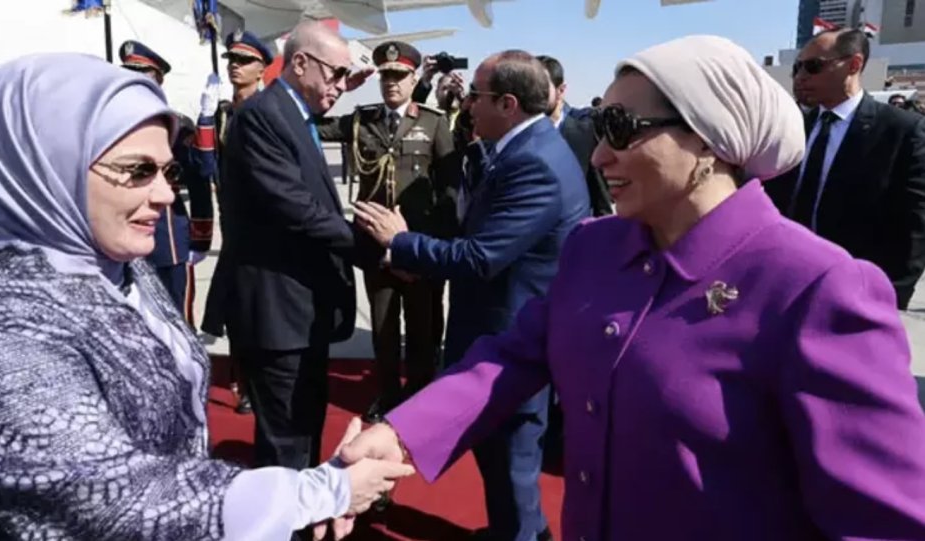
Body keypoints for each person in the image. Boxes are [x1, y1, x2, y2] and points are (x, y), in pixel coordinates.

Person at [342, 35, 925, 540]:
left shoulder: (819, 289)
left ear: (708, 139)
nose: (599, 155)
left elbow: (881, 522)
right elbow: (514, 355)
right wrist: (402, 434)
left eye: (621, 129)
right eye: (601, 127)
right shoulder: (594, 247)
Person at [0, 52, 412, 539]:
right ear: (47, 168)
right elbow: (111, 499)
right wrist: (317, 493)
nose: (167, 195)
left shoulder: (116, 264)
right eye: (137, 170)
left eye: (166, 173)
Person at [354, 50, 590, 541]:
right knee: (499, 465)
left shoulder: (536, 164)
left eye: (476, 97)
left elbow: (482, 257)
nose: (467, 105)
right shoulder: (519, 147)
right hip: (496, 335)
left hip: (510, 344)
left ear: (507, 104)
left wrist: (402, 242)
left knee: (512, 465)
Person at [218, 21, 375, 484]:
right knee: (285, 444)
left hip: (301, 311)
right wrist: (380, 251)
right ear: (301, 63)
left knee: (304, 428)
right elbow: (297, 209)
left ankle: (301, 511)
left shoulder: (293, 114)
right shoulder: (262, 117)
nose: (342, 85)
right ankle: (283, 517)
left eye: (347, 76)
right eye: (337, 73)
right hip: (277, 313)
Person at [316, 40, 458, 424]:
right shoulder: (362, 120)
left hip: (420, 245)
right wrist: (340, 87)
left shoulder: (433, 122)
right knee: (383, 327)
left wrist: (438, 247)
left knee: (423, 328)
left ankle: (421, 393)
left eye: (399, 75)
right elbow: (310, 124)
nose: (391, 82)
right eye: (385, 76)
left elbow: (449, 190)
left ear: (413, 80)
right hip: (374, 245)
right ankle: (389, 393)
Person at [768, 28, 925, 309]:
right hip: (786, 281)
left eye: (813, 66)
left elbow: (914, 226)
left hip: (855, 292)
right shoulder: (793, 126)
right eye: (797, 67)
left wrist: (889, 298)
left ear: (853, 64)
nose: (800, 76)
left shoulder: (901, 131)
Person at [197, 29, 275, 414]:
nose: (235, 66)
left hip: (265, 224)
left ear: (262, 68)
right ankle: (244, 382)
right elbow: (205, 166)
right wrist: (205, 117)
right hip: (234, 223)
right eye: (231, 60)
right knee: (238, 308)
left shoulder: (270, 109)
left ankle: (263, 379)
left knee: (263, 307)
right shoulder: (224, 113)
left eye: (244, 61)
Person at [119, 40, 215, 325]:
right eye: (128, 74)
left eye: (143, 75)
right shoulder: (113, 124)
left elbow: (201, 174)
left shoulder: (175, 126)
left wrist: (200, 239)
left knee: (175, 323)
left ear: (159, 81)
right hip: (121, 242)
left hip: (166, 240)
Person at [537, 54, 613, 216]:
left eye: (540, 88)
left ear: (561, 90)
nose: (532, 95)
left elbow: (600, 198)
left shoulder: (584, 133)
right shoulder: (515, 134)